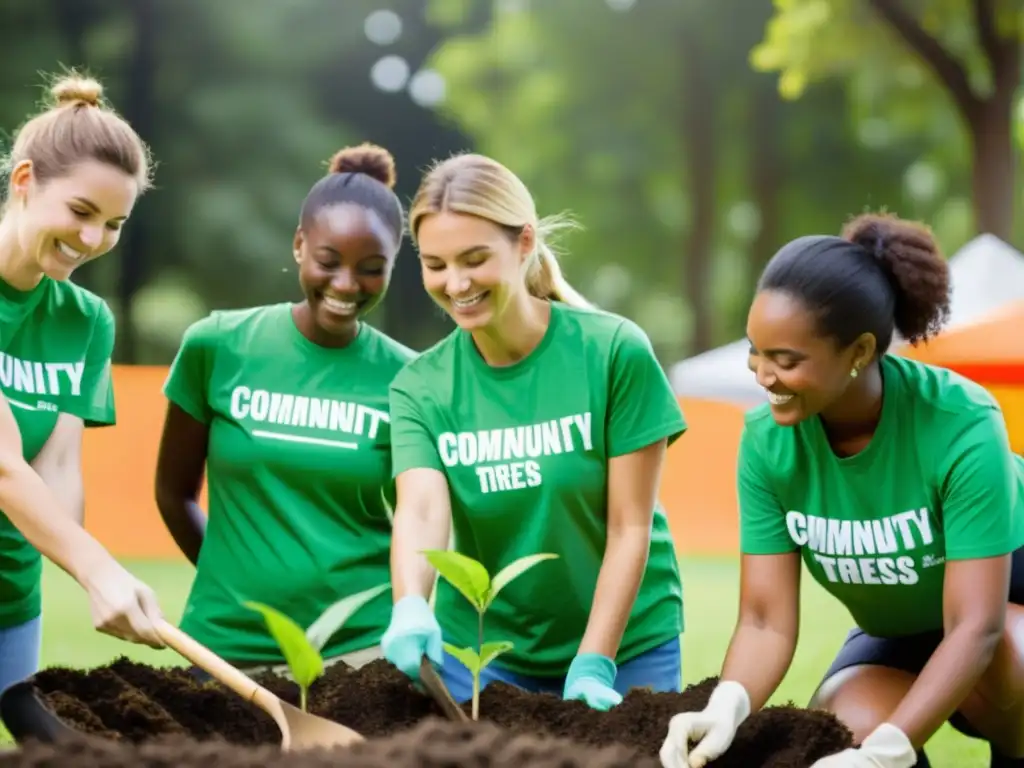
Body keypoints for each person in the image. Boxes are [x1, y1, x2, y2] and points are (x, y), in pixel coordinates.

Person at [659, 212, 1024, 768]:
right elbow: (764, 620)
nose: (762, 374)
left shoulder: (961, 424)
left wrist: (889, 750)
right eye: (755, 350)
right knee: (835, 730)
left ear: (858, 353)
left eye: (787, 360)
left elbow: (976, 626)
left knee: (1014, 668)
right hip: (903, 629)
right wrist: (726, 705)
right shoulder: (767, 443)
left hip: (999, 614)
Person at [379, 152, 686, 711]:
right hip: (483, 655)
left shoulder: (613, 352)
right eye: (436, 264)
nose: (457, 283)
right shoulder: (419, 388)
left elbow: (628, 526)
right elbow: (421, 511)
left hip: (627, 647)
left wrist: (596, 660)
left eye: (475, 259)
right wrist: (410, 605)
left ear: (523, 244)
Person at [155, 143, 414, 677]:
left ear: (393, 265)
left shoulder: (411, 379)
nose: (346, 285)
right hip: (224, 649)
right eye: (328, 262)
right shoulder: (217, 345)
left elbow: (428, 521)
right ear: (299, 245)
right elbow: (173, 491)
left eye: (371, 269)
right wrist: (232, 579)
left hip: (361, 658)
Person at [0, 72, 166, 693]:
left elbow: (59, 466)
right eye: (79, 211)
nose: (92, 239)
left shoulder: (86, 319)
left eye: (114, 223)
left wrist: (90, 576)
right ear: (24, 182)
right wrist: (99, 569)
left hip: (12, 602)